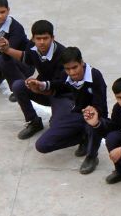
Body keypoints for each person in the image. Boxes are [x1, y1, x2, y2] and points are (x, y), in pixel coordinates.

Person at [34, 47, 108, 175]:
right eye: (68, 69)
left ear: (82, 63)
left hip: (96, 116)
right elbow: (60, 85)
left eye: (75, 67)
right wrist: (43, 85)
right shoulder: (66, 75)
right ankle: (82, 138)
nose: (72, 72)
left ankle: (91, 156)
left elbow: (101, 104)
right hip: (77, 115)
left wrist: (93, 110)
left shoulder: (95, 76)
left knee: (93, 125)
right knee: (42, 145)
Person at [0, 19, 65, 139]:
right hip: (42, 89)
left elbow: (62, 83)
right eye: (38, 39)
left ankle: (59, 116)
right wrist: (7, 50)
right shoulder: (32, 46)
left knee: (56, 126)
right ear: (33, 38)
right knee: (18, 86)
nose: (42, 42)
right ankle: (33, 122)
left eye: (45, 38)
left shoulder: (62, 54)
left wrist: (41, 86)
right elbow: (26, 58)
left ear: (52, 38)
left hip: (61, 94)